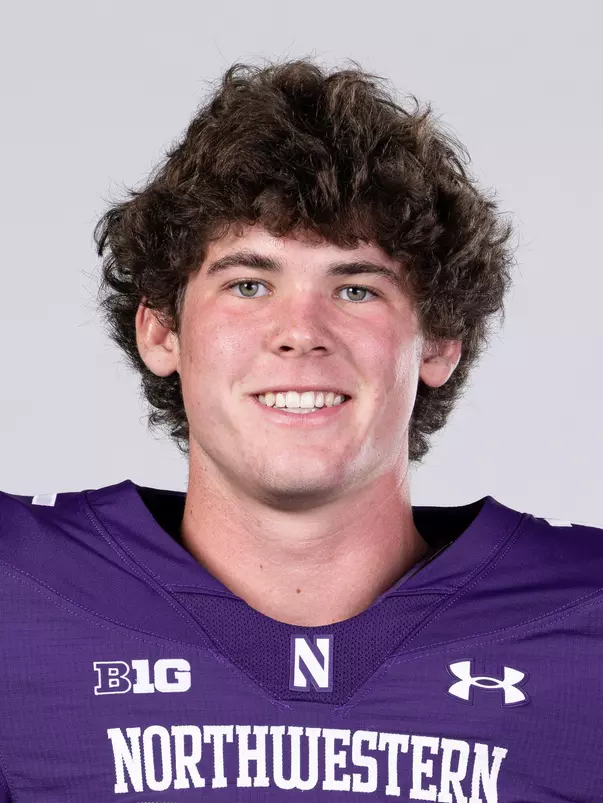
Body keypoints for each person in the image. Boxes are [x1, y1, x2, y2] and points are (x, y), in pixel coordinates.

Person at [0, 59, 601, 802]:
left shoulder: (582, 621)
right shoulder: (20, 592)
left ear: (439, 342)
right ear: (161, 330)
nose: (299, 332)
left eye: (354, 288)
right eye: (247, 283)